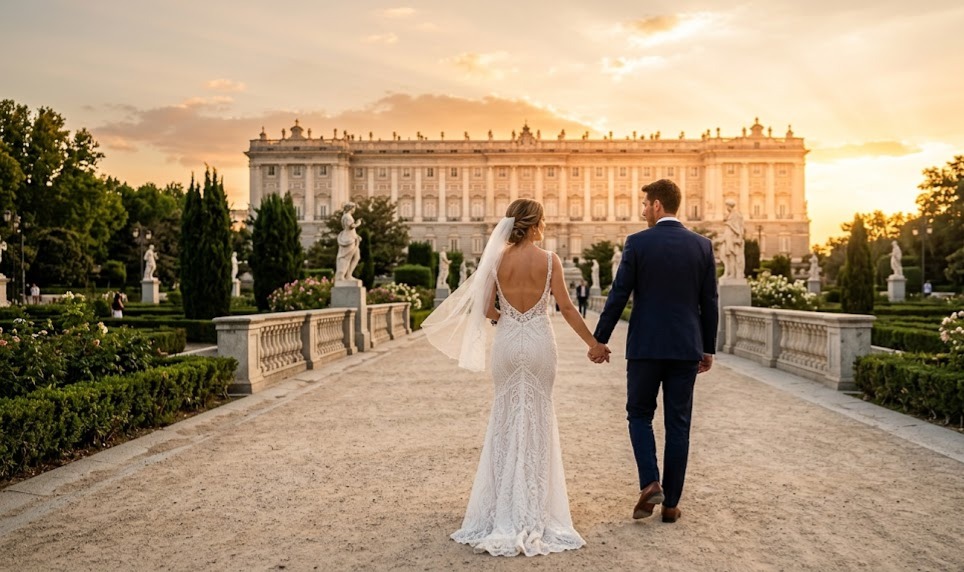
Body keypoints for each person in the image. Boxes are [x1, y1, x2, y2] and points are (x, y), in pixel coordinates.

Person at [422, 199, 606, 557]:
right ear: (537, 224)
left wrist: (504, 317)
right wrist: (594, 344)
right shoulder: (551, 260)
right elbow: (567, 308)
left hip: (507, 344)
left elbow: (485, 306)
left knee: (505, 419)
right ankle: (535, 506)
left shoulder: (496, 259)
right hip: (539, 344)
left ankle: (501, 507)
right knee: (538, 418)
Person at [590, 179, 719, 524]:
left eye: (646, 204)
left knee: (639, 414)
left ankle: (650, 483)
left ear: (658, 205)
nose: (643, 210)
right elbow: (709, 302)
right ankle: (671, 503)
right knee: (678, 424)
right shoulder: (702, 246)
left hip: (646, 346)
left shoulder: (638, 243)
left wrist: (599, 339)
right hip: (685, 347)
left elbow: (619, 294)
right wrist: (708, 348)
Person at [335, 203, 363, 282]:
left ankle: (349, 275)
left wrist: (357, 236)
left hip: (351, 238)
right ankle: (342, 275)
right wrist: (358, 223)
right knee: (347, 258)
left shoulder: (347, 216)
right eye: (354, 208)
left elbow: (350, 229)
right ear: (351, 208)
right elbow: (350, 227)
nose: (354, 209)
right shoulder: (347, 216)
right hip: (348, 240)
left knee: (356, 257)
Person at [721, 199, 745, 280]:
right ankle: (730, 273)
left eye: (727, 206)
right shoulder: (730, 215)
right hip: (728, 237)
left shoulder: (736, 215)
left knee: (732, 256)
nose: (726, 207)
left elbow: (739, 227)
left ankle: (733, 274)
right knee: (727, 255)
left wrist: (739, 238)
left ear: (729, 206)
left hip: (732, 237)